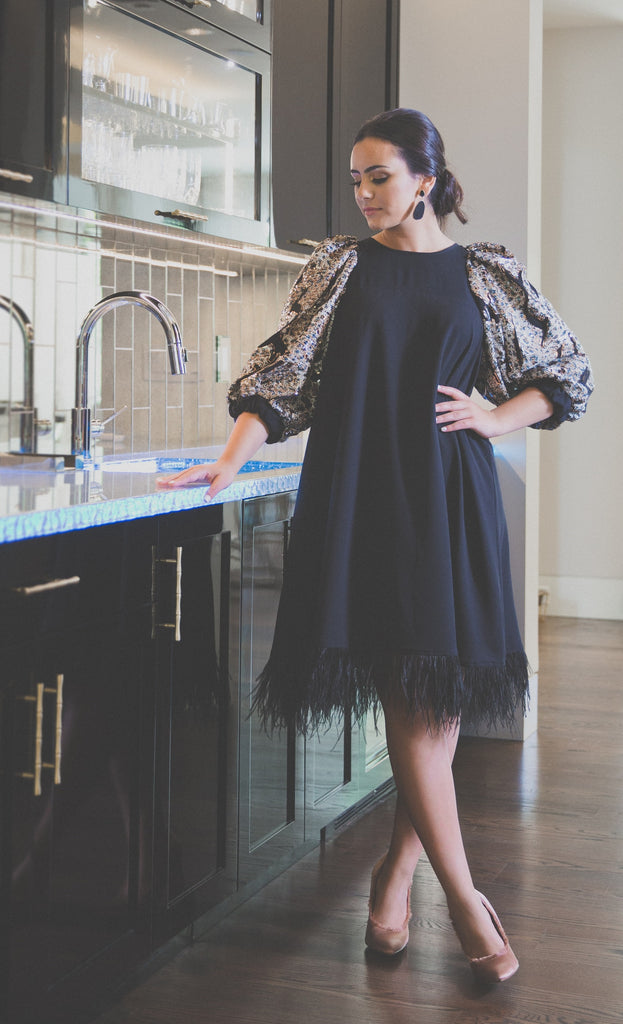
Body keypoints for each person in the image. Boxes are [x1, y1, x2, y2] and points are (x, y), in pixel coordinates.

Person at [160, 108, 593, 983]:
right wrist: (225, 460)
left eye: (379, 177)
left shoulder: (485, 275)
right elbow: (284, 377)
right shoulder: (339, 268)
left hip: (450, 496)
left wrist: (495, 413)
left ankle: (395, 875)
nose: (362, 194)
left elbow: (566, 374)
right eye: (355, 179)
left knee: (438, 699)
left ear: (425, 179)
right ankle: (467, 900)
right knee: (411, 697)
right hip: (363, 496)